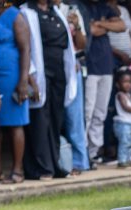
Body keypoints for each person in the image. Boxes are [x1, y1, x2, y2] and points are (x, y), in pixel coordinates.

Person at [22, 0, 77, 179]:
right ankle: (40, 167)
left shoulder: (56, 11)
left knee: (55, 119)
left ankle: (55, 164)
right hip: (40, 72)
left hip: (58, 70)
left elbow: (66, 44)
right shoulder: (26, 12)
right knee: (39, 119)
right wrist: (31, 77)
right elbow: (25, 47)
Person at [0, 0, 30, 183]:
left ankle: (17, 170)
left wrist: (23, 81)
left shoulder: (15, 15)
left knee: (14, 122)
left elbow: (25, 49)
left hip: (11, 75)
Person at [83, 0, 124, 166]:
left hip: (106, 66)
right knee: (87, 112)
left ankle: (94, 152)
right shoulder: (79, 6)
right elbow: (90, 30)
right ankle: (83, 151)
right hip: (89, 65)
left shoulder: (104, 7)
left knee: (100, 112)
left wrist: (100, 23)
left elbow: (121, 26)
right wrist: (107, 25)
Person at [56, 0, 87, 174]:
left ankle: (79, 162)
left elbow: (82, 45)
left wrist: (77, 26)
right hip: (52, 68)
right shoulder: (39, 11)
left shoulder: (71, 10)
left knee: (74, 118)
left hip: (72, 69)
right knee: (55, 119)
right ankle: (61, 162)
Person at [112, 68, 131, 167]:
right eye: (125, 82)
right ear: (118, 84)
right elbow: (126, 107)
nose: (128, 84)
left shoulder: (129, 95)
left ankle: (129, 158)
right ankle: (122, 160)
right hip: (123, 124)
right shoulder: (120, 95)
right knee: (124, 142)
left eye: (129, 82)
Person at [105, 0, 131, 66]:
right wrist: (120, 54)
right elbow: (102, 40)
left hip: (128, 56)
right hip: (113, 56)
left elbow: (129, 33)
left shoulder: (124, 10)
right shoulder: (102, 10)